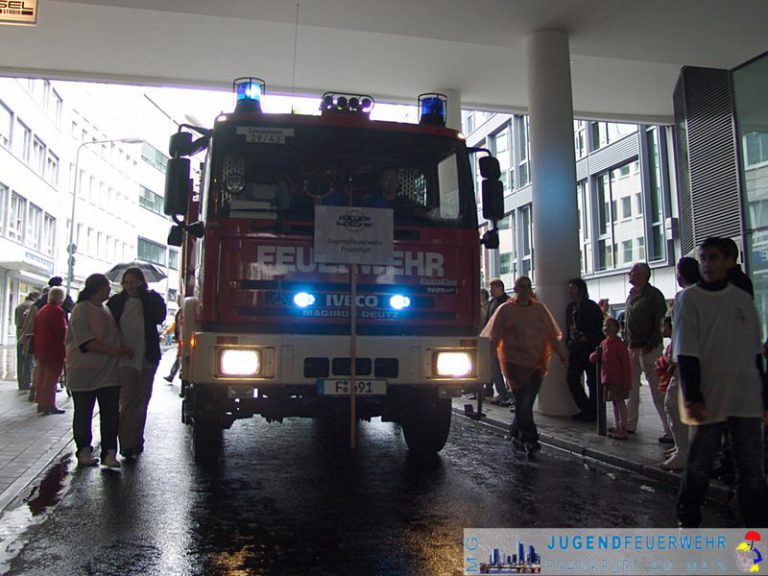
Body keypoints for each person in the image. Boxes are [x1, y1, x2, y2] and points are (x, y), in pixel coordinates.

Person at [673, 237, 768, 527]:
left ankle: (755, 529)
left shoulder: (742, 300)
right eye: (703, 258)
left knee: (752, 469)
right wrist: (693, 397)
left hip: (746, 397)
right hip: (710, 397)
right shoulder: (689, 299)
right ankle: (687, 520)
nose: (707, 264)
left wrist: (764, 398)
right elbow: (686, 352)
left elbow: (754, 353)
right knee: (700, 465)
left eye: (714, 258)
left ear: (728, 261)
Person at [483, 276, 566, 456]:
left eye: (528, 286)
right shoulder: (506, 310)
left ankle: (515, 433)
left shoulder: (539, 309)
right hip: (514, 363)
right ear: (516, 289)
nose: (526, 289)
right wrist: (487, 359)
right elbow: (495, 336)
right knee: (524, 400)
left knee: (524, 402)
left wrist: (561, 355)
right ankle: (530, 438)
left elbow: (551, 334)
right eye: (522, 286)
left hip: (536, 363)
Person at [66, 273, 132, 468]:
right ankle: (84, 451)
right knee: (84, 413)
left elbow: (113, 335)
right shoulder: (81, 310)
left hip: (108, 372)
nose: (110, 291)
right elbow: (86, 343)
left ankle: (109, 453)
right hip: (83, 372)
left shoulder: (105, 309)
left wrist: (122, 349)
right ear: (98, 288)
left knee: (110, 413)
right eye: (107, 287)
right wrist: (117, 351)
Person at [107, 267, 167, 459]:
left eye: (134, 282)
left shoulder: (151, 299)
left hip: (147, 356)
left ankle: (137, 439)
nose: (130, 286)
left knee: (142, 400)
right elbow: (109, 325)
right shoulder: (116, 302)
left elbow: (159, 316)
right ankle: (125, 443)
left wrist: (144, 296)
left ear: (142, 282)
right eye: (127, 282)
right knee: (127, 400)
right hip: (124, 358)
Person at [657, 257, 700, 471]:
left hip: (685, 360)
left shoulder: (685, 296)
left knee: (673, 403)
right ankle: (682, 447)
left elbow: (680, 331)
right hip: (694, 358)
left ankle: (684, 451)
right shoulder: (702, 295)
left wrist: (675, 359)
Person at [624, 262, 671, 440]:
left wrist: (649, 344)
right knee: (632, 388)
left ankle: (669, 428)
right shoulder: (631, 296)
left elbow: (659, 321)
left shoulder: (653, 295)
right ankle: (630, 424)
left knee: (657, 389)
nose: (629, 275)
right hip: (633, 347)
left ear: (643, 274)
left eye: (632, 272)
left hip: (648, 348)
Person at [564, 278, 604, 422]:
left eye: (572, 288)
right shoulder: (570, 308)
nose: (570, 291)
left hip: (589, 348)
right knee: (572, 378)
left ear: (580, 289)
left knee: (592, 380)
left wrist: (587, 337)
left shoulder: (591, 306)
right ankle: (586, 408)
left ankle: (594, 411)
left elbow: (598, 327)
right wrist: (569, 341)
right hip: (576, 348)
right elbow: (568, 327)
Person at [590, 317, 631, 439]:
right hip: (608, 379)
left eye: (609, 326)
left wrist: (626, 382)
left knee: (619, 402)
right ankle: (618, 425)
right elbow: (597, 355)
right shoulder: (604, 343)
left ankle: (623, 426)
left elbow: (625, 364)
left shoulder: (619, 345)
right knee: (614, 403)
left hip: (617, 379)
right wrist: (594, 356)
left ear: (616, 329)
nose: (605, 328)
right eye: (604, 326)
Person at [33, 287, 68, 415]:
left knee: (42, 377)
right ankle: (49, 404)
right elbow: (61, 331)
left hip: (41, 347)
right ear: (60, 297)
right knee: (52, 378)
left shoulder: (42, 310)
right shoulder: (57, 311)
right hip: (54, 349)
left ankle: (41, 402)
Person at [486, 278, 510, 404]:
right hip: (493, 339)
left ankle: (509, 395)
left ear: (500, 288)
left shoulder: (508, 302)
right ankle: (502, 393)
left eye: (493, 288)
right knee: (494, 366)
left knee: (506, 367)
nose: (490, 291)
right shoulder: (492, 303)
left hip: (504, 340)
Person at [14, 290, 40, 391]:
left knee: (20, 360)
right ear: (35, 297)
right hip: (28, 334)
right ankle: (26, 382)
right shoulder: (32, 306)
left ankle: (21, 382)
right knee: (28, 360)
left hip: (19, 332)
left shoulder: (19, 306)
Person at [164, 307, 182, 383]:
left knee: (179, 357)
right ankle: (172, 375)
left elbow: (175, 324)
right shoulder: (181, 312)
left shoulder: (181, 312)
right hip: (182, 338)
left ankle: (172, 375)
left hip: (183, 338)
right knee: (179, 357)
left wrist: (168, 331)